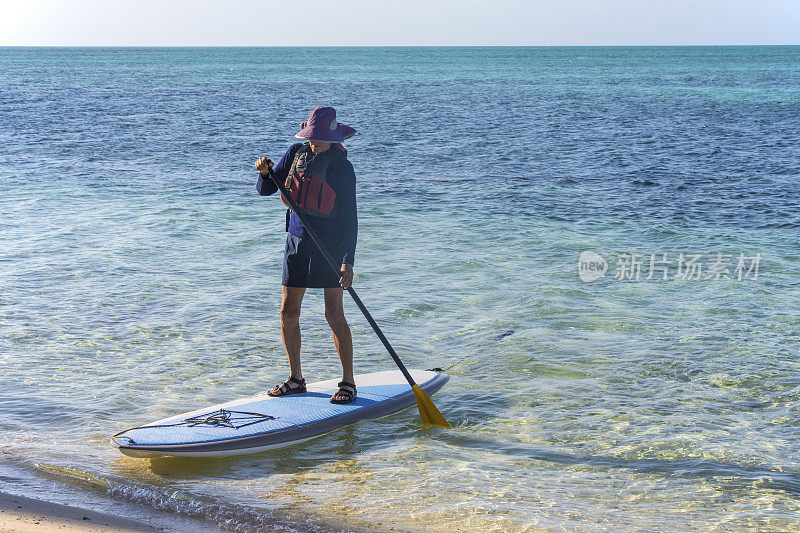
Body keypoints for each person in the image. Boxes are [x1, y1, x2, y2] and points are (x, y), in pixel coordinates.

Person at [254, 106, 358, 404]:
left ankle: (348, 382)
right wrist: (264, 174)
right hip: (297, 241)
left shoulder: (341, 167)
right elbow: (266, 190)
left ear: (333, 136)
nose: (316, 142)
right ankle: (296, 378)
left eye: (321, 137)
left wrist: (348, 261)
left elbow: (350, 218)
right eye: (313, 137)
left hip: (330, 246)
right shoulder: (295, 153)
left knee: (333, 313)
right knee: (288, 311)